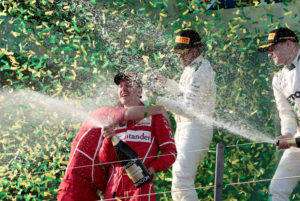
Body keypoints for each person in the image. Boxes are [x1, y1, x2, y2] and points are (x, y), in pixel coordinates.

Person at [57, 88, 172, 200]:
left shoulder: (111, 130)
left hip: (92, 191)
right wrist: (158, 109)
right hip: (74, 187)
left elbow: (108, 160)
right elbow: (127, 114)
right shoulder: (102, 113)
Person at [149, 29, 216, 201]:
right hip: (186, 128)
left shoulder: (200, 71)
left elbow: (188, 109)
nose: (179, 56)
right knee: (178, 185)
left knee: (182, 182)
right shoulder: (192, 67)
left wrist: (157, 98)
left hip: (195, 128)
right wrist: (166, 83)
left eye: (183, 52)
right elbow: (183, 94)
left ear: (196, 50)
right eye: (178, 52)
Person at [99, 71, 177, 201]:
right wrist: (107, 141)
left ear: (139, 91)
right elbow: (105, 160)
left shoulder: (155, 117)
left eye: (128, 85)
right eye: (120, 86)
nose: (123, 88)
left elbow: (171, 152)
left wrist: (154, 168)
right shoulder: (113, 119)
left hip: (140, 191)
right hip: (113, 191)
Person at [258, 27, 300, 201]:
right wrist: (288, 134)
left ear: (288, 44)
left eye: (272, 48)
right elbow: (286, 113)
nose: (269, 54)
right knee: (278, 188)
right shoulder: (278, 79)